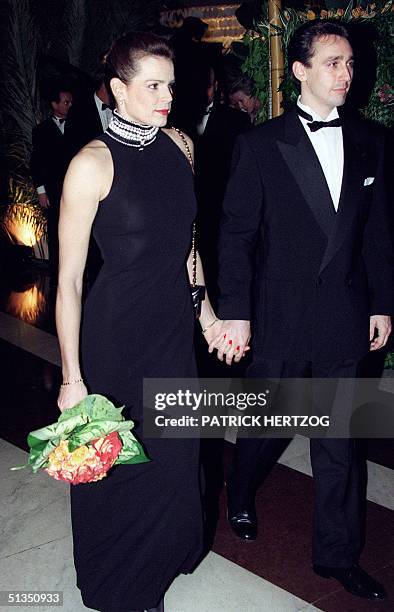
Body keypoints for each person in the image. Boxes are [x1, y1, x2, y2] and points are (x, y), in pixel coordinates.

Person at [210, 20, 392, 601]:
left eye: (350, 64)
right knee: (268, 427)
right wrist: (234, 312)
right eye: (334, 62)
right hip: (281, 316)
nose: (346, 73)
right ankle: (240, 491)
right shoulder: (261, 144)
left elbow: (378, 234)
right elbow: (236, 235)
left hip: (343, 314)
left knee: (341, 443)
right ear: (300, 71)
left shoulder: (373, 140)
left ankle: (336, 556)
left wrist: (382, 303)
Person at [56, 31, 221, 612]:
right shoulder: (90, 165)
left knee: (177, 458)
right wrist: (72, 378)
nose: (165, 97)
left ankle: (159, 559)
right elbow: (70, 280)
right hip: (116, 338)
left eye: (170, 86)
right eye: (152, 86)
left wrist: (208, 317)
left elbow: (188, 246)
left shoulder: (182, 146)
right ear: (118, 89)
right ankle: (119, 584)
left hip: (172, 331)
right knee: (115, 466)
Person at [30, 80, 73, 278]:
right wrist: (41, 191)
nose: (69, 105)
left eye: (70, 102)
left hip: (75, 187)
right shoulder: (41, 130)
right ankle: (56, 275)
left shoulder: (78, 126)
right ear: (55, 105)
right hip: (54, 190)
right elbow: (36, 162)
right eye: (66, 102)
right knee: (55, 232)